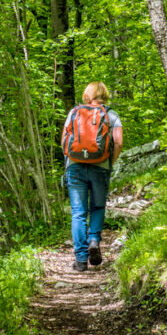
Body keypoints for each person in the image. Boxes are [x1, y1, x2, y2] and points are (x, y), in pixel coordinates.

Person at [61, 81, 123, 272]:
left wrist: (70, 161)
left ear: (87, 94)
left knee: (78, 212)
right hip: (100, 166)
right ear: (104, 95)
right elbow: (118, 142)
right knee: (97, 206)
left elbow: (64, 139)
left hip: (75, 166)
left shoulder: (74, 112)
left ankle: (80, 261)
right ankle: (94, 240)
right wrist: (109, 162)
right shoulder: (111, 114)